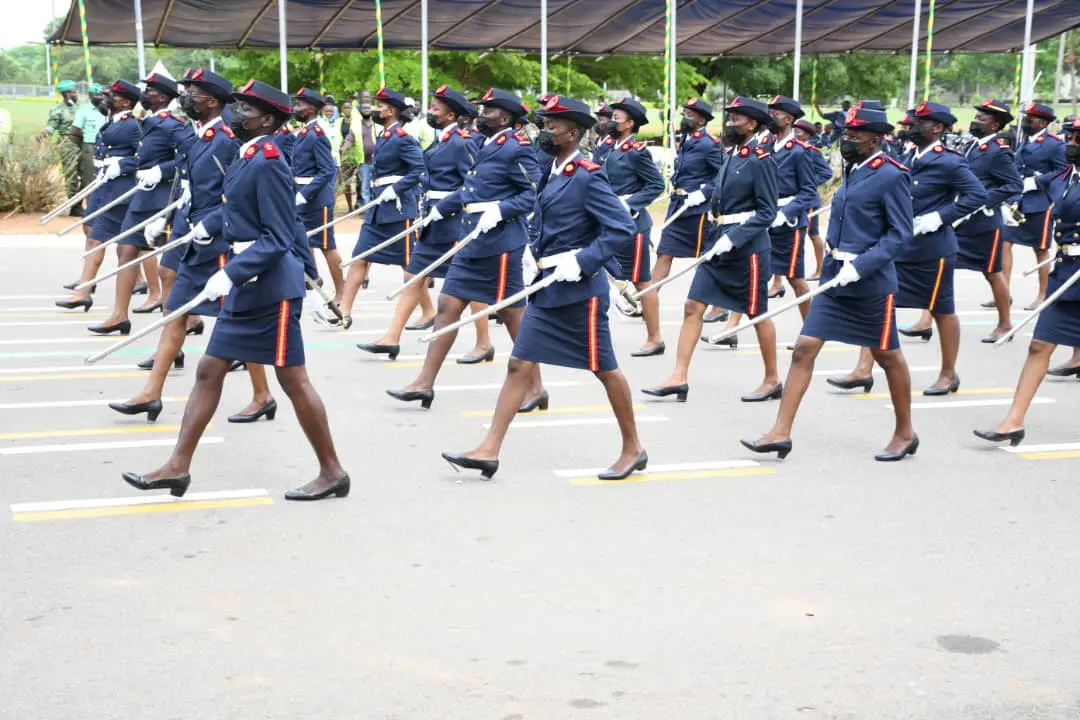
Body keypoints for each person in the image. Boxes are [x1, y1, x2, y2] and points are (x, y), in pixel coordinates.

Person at [122, 79, 349, 502]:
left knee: (294, 381)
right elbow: (237, 210)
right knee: (210, 368)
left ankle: (332, 471)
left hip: (271, 289)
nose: (236, 112)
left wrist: (233, 273)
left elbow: (280, 235)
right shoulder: (247, 156)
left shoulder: (268, 160)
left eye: (246, 108)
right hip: (249, 284)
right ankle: (178, 466)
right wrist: (211, 226)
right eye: (237, 105)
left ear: (268, 119)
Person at [441, 95, 645, 481]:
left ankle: (633, 448)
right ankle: (489, 449)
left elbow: (621, 228)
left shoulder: (586, 175)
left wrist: (585, 262)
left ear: (573, 133)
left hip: (580, 293)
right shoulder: (552, 171)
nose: (544, 132)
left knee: (605, 369)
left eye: (552, 126)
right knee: (519, 363)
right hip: (548, 286)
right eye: (544, 125)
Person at [742, 105, 918, 462]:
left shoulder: (891, 174)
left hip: (869, 283)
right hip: (836, 278)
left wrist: (863, 265)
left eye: (856, 135)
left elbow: (900, 234)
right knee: (805, 346)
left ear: (877, 139)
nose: (848, 140)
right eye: (847, 134)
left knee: (887, 356)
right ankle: (780, 432)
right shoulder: (855, 169)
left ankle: (905, 432)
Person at [109, 68, 277, 424]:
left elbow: (233, 194)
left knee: (234, 321)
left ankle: (262, 394)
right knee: (175, 312)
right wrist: (168, 221)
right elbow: (190, 187)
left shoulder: (226, 139)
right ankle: (151, 392)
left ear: (211, 101)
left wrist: (211, 224)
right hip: (193, 236)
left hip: (219, 242)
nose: (184, 96)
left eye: (191, 92)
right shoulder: (201, 137)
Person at [386, 88, 545, 411]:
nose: (480, 115)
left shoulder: (517, 147)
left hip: (501, 244)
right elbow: (471, 187)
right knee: (447, 304)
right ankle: (424, 382)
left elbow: (533, 193)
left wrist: (501, 210)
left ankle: (536, 387)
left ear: (505, 117)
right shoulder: (484, 144)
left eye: (487, 111)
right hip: (473, 239)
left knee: (514, 316)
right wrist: (442, 207)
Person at [831, 101, 987, 396]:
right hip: (900, 246)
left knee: (942, 310)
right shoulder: (905, 155)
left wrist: (940, 217)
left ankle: (948, 373)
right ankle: (863, 369)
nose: (909, 127)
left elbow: (977, 194)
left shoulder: (950, 161)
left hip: (932, 249)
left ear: (937, 127)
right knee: (881, 303)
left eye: (917, 123)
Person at [644, 96, 781, 403]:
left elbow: (767, 212)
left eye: (737, 119)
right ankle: (678, 376)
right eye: (729, 118)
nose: (730, 123)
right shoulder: (731, 153)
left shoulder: (761, 159)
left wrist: (734, 237)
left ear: (754, 124)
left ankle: (772, 379)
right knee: (693, 306)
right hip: (718, 242)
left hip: (748, 249)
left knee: (757, 313)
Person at [356, 84, 493, 363]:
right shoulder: (441, 139)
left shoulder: (461, 141)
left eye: (435, 107)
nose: (430, 110)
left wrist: (445, 207)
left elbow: (473, 185)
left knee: (468, 283)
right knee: (414, 275)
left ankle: (484, 342)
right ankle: (391, 338)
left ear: (451, 114)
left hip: (454, 221)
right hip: (432, 219)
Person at [975, 118, 1080, 446]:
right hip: (1067, 274)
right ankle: (1013, 422)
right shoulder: (1065, 177)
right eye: (1072, 136)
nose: (1071, 142)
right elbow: (1036, 192)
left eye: (1078, 138)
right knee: (1039, 345)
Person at [87, 73, 187, 334]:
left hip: (162, 198)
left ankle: (186, 320)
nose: (145, 93)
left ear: (163, 97)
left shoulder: (171, 125)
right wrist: (124, 164)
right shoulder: (147, 122)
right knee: (125, 250)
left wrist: (162, 171)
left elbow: (188, 158)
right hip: (142, 195)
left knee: (171, 263)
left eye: (150, 90)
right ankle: (119, 315)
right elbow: (140, 156)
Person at [334, 87, 426, 326]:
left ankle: (428, 310)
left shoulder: (403, 138)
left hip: (397, 210)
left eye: (381, 106)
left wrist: (395, 189)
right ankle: (343, 311)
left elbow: (419, 170)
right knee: (360, 257)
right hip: (378, 208)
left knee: (410, 266)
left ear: (392, 110)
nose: (376, 109)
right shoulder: (385, 135)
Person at [55, 80, 142, 313]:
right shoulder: (110, 123)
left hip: (120, 190)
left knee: (108, 240)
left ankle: (84, 291)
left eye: (112, 95)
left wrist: (122, 165)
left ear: (126, 101)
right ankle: (87, 287)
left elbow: (146, 156)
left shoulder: (133, 125)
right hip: (103, 186)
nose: (106, 98)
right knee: (95, 232)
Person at [953, 99, 1024, 342]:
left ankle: (1005, 324)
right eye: (978, 115)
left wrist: (985, 200)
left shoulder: (998, 151)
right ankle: (926, 320)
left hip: (983, 223)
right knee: (941, 266)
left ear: (994, 125)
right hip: (961, 219)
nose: (977, 119)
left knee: (992, 272)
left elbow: (1014, 184)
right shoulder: (974, 146)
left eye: (983, 117)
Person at [601, 95, 665, 355]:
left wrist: (630, 203)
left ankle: (655, 337)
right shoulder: (608, 147)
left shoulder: (637, 152)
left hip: (633, 225)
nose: (611, 120)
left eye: (616, 117)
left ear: (629, 124)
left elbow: (656, 185)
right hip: (608, 221)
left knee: (641, 280)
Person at [652, 98, 724, 312]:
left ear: (702, 119)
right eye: (684, 113)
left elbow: (723, 174)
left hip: (698, 210)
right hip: (678, 206)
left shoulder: (710, 144)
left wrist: (704, 193)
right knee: (664, 253)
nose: (685, 117)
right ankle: (647, 299)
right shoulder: (686, 139)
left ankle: (718, 305)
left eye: (690, 114)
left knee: (706, 258)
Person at [1005, 102, 1068, 311]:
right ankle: (1003, 293)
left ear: (1042, 122)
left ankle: (1043, 294)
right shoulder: (1024, 141)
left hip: (1040, 202)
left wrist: (1039, 181)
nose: (1026, 122)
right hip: (1019, 202)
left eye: (1030, 118)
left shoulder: (1054, 144)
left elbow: (1063, 170)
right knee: (1005, 244)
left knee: (1040, 249)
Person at [762, 96, 817, 311]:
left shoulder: (798, 151)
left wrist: (785, 214)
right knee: (753, 272)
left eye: (776, 114)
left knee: (795, 278)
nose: (771, 117)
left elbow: (808, 192)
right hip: (765, 217)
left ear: (789, 119)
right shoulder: (766, 146)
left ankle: (810, 330)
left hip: (789, 224)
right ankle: (731, 326)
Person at [291, 87, 344, 306]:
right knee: (304, 242)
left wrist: (305, 195)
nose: (296, 108)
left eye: (300, 105)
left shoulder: (317, 134)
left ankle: (341, 293)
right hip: (302, 196)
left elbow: (327, 171)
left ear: (311, 108)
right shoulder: (304, 132)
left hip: (316, 201)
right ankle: (314, 280)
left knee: (326, 246)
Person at [794, 118, 833, 281]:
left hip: (808, 200)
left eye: (799, 131)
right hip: (793, 199)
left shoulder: (812, 151)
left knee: (812, 233)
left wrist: (807, 183)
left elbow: (826, 172)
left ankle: (820, 268)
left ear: (808, 135)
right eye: (794, 130)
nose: (795, 133)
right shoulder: (793, 149)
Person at [69, 83, 108, 217]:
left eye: (101, 94)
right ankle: (90, 208)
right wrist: (87, 137)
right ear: (90, 95)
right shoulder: (83, 110)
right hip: (90, 146)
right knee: (89, 178)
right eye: (96, 94)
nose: (100, 97)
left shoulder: (107, 110)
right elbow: (75, 130)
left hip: (106, 146)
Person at [42, 79, 81, 212]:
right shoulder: (57, 110)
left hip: (83, 143)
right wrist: (46, 132)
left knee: (86, 174)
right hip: (67, 143)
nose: (76, 94)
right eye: (73, 92)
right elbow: (52, 126)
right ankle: (75, 206)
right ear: (66, 94)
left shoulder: (79, 108)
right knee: (71, 175)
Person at [349, 89, 379, 205]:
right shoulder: (355, 116)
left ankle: (376, 207)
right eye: (364, 97)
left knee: (377, 185)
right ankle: (367, 210)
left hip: (377, 161)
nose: (366, 99)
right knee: (364, 187)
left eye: (368, 97)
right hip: (362, 161)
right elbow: (351, 135)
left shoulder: (376, 118)